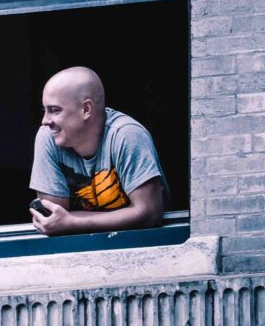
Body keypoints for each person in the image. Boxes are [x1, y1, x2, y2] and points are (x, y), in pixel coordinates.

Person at [29, 66, 167, 236]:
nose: (45, 121)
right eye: (45, 110)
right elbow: (53, 218)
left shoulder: (127, 135)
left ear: (86, 109)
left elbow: (150, 213)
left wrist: (73, 223)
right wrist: (127, 215)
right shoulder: (48, 136)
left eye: (54, 110)